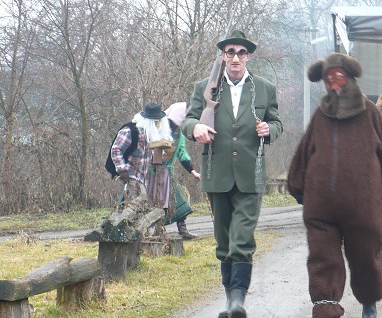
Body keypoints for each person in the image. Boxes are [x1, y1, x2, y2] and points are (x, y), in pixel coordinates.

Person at [287, 53, 382, 318]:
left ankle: (369, 303)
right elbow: (305, 151)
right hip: (321, 207)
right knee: (322, 257)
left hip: (363, 205)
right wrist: (297, 185)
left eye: (339, 76)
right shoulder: (321, 115)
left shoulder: (369, 112)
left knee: (366, 255)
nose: (334, 83)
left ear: (349, 77)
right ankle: (325, 308)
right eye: (329, 79)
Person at [181, 30, 283, 318]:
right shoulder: (205, 87)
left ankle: (239, 301)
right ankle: (229, 301)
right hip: (216, 173)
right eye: (230, 52)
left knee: (241, 238)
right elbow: (188, 120)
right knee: (223, 241)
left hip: (252, 175)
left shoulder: (265, 88)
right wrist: (196, 128)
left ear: (248, 56)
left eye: (241, 52)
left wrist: (269, 130)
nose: (235, 57)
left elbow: (277, 123)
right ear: (223, 56)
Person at [146, 102, 201, 240]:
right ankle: (148, 231)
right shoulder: (155, 128)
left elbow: (181, 152)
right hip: (150, 172)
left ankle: (182, 230)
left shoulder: (180, 133)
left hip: (166, 172)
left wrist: (193, 171)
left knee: (177, 201)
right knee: (149, 202)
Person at [111, 102, 173, 204]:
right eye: (156, 122)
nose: (158, 125)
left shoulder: (151, 136)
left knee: (139, 207)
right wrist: (122, 169)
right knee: (139, 202)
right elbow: (116, 149)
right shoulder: (130, 131)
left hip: (143, 178)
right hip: (131, 174)